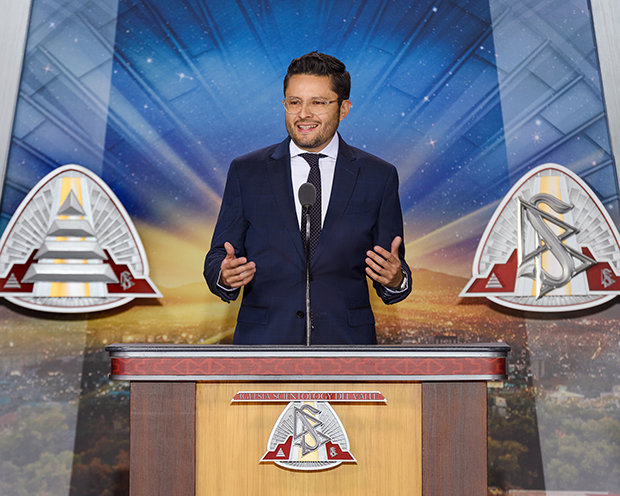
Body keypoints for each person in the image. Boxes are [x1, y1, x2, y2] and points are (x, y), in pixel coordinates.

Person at [204, 51, 412, 344]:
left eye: (318, 102)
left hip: (346, 348)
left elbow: (392, 266)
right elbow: (218, 256)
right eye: (294, 102)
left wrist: (395, 279)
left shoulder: (378, 176)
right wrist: (224, 276)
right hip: (264, 346)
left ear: (343, 109)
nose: (303, 114)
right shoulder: (246, 171)